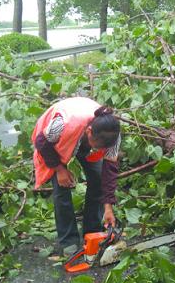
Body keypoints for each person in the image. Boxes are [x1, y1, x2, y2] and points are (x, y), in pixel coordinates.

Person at [32, 97, 120, 255]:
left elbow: (109, 171)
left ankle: (92, 231)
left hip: (83, 139)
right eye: (97, 147)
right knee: (61, 188)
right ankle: (68, 240)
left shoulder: (112, 134)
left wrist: (108, 207)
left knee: (99, 178)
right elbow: (41, 141)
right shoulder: (63, 124)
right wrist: (59, 169)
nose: (100, 150)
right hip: (53, 142)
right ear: (89, 132)